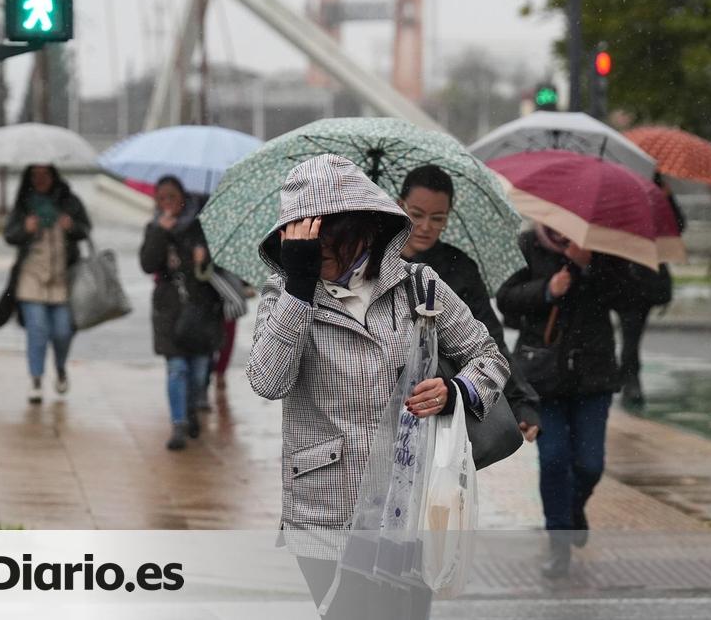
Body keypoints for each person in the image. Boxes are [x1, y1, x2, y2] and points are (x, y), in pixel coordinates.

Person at [245, 155, 508, 619]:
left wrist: (454, 392)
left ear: (365, 230)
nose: (320, 249)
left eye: (331, 236)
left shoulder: (419, 285)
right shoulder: (284, 294)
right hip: (327, 511)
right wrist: (299, 287)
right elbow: (268, 380)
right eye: (306, 236)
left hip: (412, 502)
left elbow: (487, 356)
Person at [496, 224, 636, 578]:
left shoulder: (604, 246)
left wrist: (589, 265)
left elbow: (629, 299)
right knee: (554, 459)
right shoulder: (528, 243)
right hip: (544, 378)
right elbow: (506, 300)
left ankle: (572, 510)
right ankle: (559, 543)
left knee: (590, 465)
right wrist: (547, 289)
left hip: (594, 377)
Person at [398, 164, 541, 441]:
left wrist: (522, 401)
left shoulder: (459, 268)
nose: (426, 227)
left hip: (442, 403)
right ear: (399, 205)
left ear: (448, 217)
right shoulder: (372, 261)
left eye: (437, 218)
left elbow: (490, 342)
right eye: (416, 214)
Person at [0, 164, 91, 404]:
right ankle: (36, 379)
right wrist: (25, 229)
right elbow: (10, 235)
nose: (40, 179)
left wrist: (71, 227)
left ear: (54, 175)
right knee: (38, 330)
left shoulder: (69, 202)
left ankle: (60, 368)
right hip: (30, 279)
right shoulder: (24, 203)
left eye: (45, 174)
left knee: (63, 331)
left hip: (62, 280)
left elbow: (85, 229)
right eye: (35, 175)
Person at [139, 176, 224, 451]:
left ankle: (190, 409)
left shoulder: (201, 225)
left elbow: (218, 263)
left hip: (200, 308)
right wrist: (160, 233)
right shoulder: (154, 227)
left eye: (172, 197)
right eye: (161, 198)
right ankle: (178, 424)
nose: (167, 203)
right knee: (176, 368)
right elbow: (148, 264)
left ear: (183, 198)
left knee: (199, 372)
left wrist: (204, 257)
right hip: (169, 310)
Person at [617, 173, 680, 408]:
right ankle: (628, 377)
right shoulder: (621, 190)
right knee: (629, 333)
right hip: (622, 278)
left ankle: (628, 376)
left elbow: (677, 227)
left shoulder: (655, 190)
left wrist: (668, 198)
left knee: (632, 333)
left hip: (644, 280)